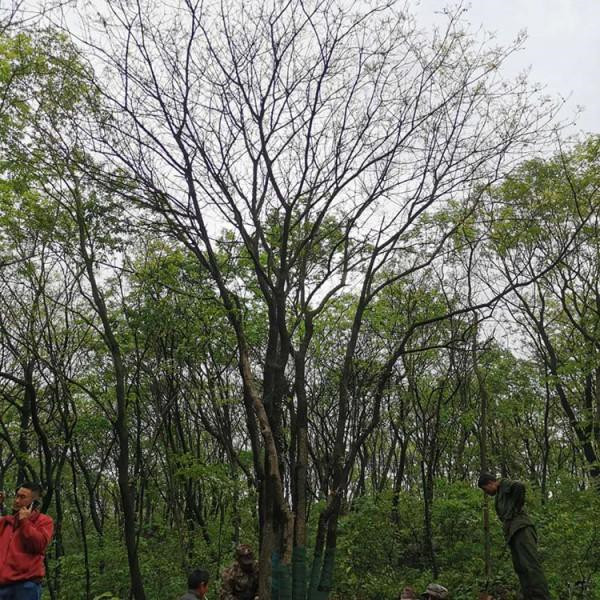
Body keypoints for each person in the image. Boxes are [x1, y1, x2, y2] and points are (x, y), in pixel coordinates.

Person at [478, 472, 551, 600]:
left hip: (522, 529)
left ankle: (541, 597)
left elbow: (520, 486)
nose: (487, 492)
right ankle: (530, 596)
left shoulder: (504, 484)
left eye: (486, 489)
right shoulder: (499, 496)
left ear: (490, 483)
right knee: (521, 567)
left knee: (530, 565)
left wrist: (514, 509)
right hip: (513, 533)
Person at [0, 482, 54, 599]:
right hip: (3, 586)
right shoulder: (7, 522)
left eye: (22, 497)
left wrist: (25, 522)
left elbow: (39, 545)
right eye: (17, 496)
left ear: (34, 503)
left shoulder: (44, 521)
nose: (17, 501)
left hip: (26, 585)